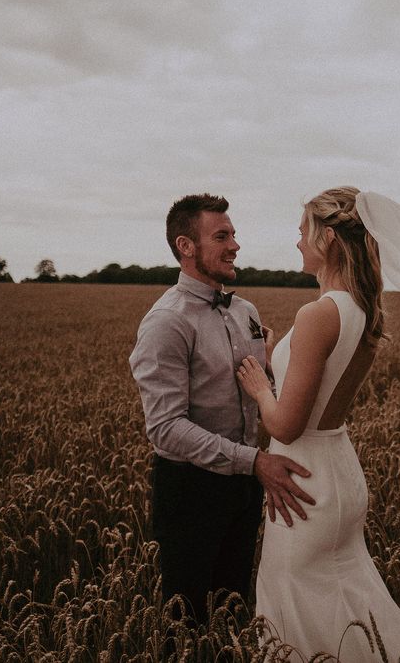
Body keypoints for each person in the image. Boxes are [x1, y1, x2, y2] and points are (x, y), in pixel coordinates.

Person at [237, 186, 400, 661]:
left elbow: (286, 425)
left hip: (303, 480)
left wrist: (260, 387)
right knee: (351, 605)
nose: (297, 243)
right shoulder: (364, 311)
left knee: (294, 611)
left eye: (302, 232)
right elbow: (324, 389)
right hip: (339, 475)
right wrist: (277, 359)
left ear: (327, 237)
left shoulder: (317, 314)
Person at [129, 193, 315, 626]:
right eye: (222, 236)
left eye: (233, 234)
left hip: (245, 490)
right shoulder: (166, 322)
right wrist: (255, 462)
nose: (235, 244)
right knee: (187, 623)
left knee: (234, 612)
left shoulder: (245, 311)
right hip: (191, 491)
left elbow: (260, 388)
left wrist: (273, 371)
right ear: (186, 246)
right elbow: (166, 429)